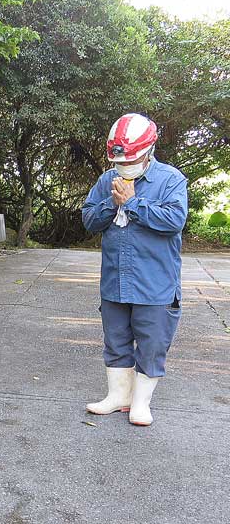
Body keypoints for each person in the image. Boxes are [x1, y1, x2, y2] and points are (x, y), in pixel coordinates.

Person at [82, 113, 188, 426]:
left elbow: (173, 222)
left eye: (130, 159)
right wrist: (111, 204)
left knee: (152, 342)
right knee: (115, 340)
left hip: (154, 283)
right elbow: (89, 220)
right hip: (115, 281)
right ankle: (118, 397)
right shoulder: (106, 181)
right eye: (119, 161)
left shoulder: (170, 180)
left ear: (148, 150)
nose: (124, 166)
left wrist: (132, 202)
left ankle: (141, 403)